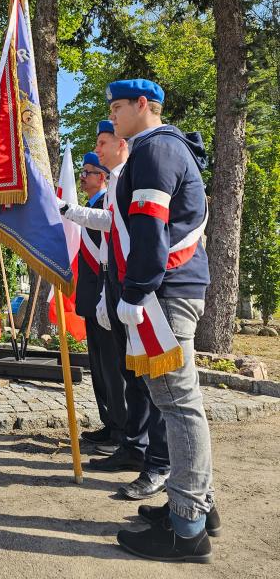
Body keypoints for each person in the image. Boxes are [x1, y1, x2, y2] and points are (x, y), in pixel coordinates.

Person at [105, 78, 217, 563]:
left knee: (177, 401)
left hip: (165, 290)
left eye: (117, 107)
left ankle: (187, 527)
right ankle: (195, 504)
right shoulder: (168, 149)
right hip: (173, 287)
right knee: (174, 399)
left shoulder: (153, 150)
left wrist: (137, 288)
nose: (111, 116)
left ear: (143, 105)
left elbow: (151, 224)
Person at [60, 121, 170, 501]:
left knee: (150, 381)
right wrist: (67, 210)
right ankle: (134, 446)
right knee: (130, 372)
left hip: (139, 290)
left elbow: (147, 234)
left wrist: (130, 292)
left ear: (121, 144)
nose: (99, 151)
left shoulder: (135, 176)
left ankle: (159, 462)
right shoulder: (122, 181)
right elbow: (109, 225)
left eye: (104, 143)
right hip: (118, 287)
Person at [61, 149, 126, 453]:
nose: (82, 177)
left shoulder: (105, 206)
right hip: (91, 299)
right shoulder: (91, 206)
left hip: (105, 298)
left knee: (113, 367)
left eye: (88, 172)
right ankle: (110, 423)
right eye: (83, 172)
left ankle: (123, 429)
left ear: (102, 177)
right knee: (99, 368)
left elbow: (106, 258)